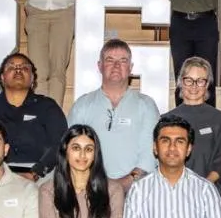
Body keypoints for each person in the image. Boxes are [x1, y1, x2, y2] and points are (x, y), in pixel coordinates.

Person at [66, 38, 159, 188]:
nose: (116, 65)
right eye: (110, 60)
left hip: (136, 191)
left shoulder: (146, 105)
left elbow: (150, 155)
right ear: (99, 66)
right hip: (90, 189)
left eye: (123, 60)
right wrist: (94, 184)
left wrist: (125, 183)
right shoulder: (82, 105)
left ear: (130, 67)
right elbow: (71, 149)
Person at [0, 52, 67, 179]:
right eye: (11, 67)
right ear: (2, 78)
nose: (18, 70)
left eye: (24, 68)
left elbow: (61, 144)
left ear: (33, 78)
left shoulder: (48, 107)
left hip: (41, 175)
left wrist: (37, 172)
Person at [168, 57, 221, 186]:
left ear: (207, 84)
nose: (194, 86)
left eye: (200, 81)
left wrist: (203, 185)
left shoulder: (220, 119)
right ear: (181, 82)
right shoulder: (167, 119)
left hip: (208, 191)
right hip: (174, 191)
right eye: (189, 80)